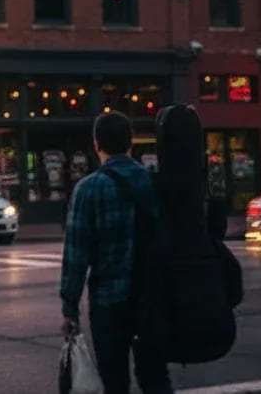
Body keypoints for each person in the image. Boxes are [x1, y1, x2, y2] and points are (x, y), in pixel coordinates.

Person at [60, 112, 172, 394]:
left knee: (114, 380)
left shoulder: (88, 189)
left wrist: (70, 307)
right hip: (153, 297)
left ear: (97, 144)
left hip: (109, 300)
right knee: (156, 376)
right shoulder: (155, 184)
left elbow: (76, 255)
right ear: (130, 143)